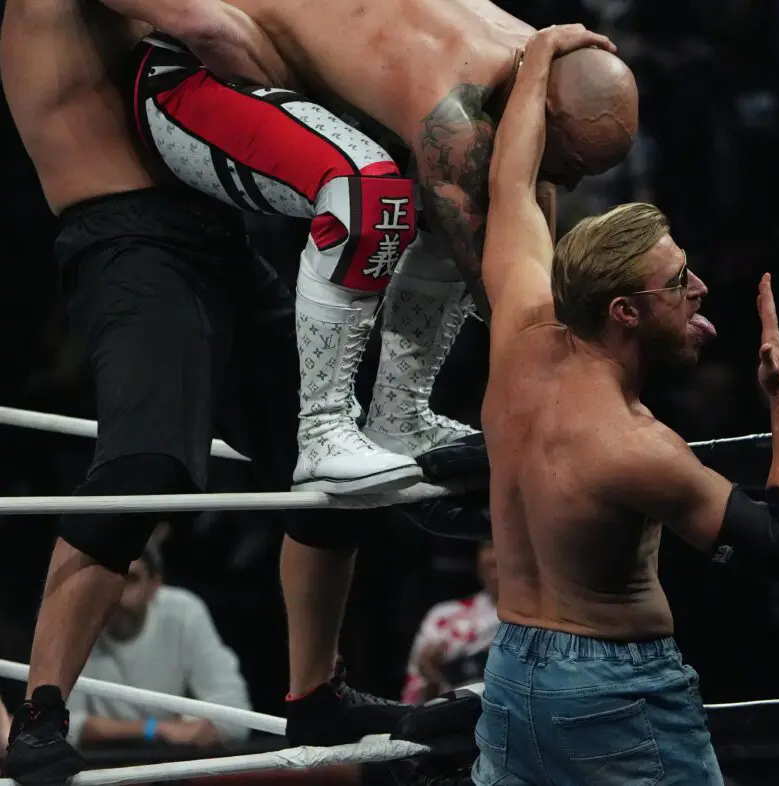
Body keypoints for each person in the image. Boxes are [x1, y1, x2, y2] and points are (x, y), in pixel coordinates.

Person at [0, 2, 402, 783]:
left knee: (330, 458)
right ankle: (41, 713)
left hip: (220, 237)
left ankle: (316, 693)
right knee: (143, 467)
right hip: (129, 240)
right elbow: (220, 34)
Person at [472, 25, 779, 785]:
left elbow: (511, 184)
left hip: (511, 674)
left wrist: (539, 57)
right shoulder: (637, 447)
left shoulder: (520, 333)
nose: (699, 289)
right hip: (611, 695)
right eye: (677, 282)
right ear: (625, 312)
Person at [123, 0, 638, 495]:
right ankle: (323, 431)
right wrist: (588, 403)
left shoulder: (537, 62)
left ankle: (400, 419)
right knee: (373, 194)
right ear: (545, 113)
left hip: (272, 88)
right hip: (186, 77)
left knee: (461, 209)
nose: (571, 184)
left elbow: (529, 224)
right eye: (573, 165)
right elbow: (512, 298)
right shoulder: (456, 112)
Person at [65, 544, 250, 749]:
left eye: (130, 579)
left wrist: (202, 728)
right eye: (105, 580)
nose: (115, 594)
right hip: (98, 760)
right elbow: (63, 726)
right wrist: (154, 729)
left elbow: (235, 711)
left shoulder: (183, 613)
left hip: (172, 759)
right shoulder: (74, 622)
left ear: (154, 585)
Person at [402, 541, 499, 705]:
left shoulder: (544, 624)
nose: (496, 557)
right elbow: (412, 706)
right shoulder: (444, 618)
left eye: (508, 546)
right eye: (489, 546)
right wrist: (431, 678)